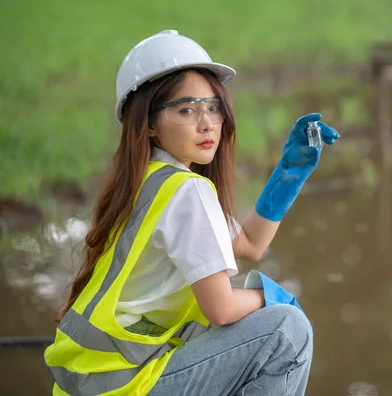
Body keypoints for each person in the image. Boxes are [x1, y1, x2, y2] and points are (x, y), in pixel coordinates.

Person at [43, 29, 339, 396]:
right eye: (186, 109)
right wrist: (273, 297)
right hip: (125, 385)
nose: (207, 123)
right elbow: (222, 309)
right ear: (148, 123)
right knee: (286, 329)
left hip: (95, 381)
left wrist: (289, 174)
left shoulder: (148, 180)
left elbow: (248, 243)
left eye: (213, 107)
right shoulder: (187, 190)